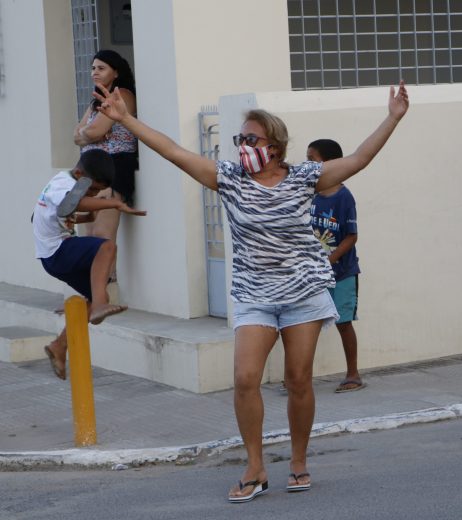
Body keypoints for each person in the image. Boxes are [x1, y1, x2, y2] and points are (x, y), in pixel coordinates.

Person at [92, 80, 409, 501]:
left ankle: (298, 461)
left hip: (303, 294)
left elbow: (359, 159)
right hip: (254, 294)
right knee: (244, 378)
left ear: (274, 146)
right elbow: (174, 151)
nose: (242, 144)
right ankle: (256, 466)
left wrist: (392, 117)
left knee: (299, 380)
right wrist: (127, 120)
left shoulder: (303, 178)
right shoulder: (230, 179)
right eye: (240, 138)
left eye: (251, 138)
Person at [33, 149, 146, 380]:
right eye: (92, 189)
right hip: (56, 252)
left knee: (95, 290)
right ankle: (100, 305)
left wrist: (86, 218)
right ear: (78, 174)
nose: (93, 194)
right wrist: (113, 203)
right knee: (106, 247)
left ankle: (59, 346)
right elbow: (71, 202)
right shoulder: (62, 184)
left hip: (54, 254)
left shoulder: (63, 186)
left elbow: (50, 215)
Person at [73, 49, 138, 283]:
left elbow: (93, 131)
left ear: (116, 72)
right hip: (90, 168)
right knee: (87, 231)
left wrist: (90, 133)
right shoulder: (95, 102)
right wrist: (90, 133)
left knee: (102, 233)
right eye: (93, 68)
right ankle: (91, 288)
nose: (94, 72)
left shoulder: (122, 96)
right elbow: (77, 135)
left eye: (101, 68)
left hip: (113, 166)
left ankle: (106, 285)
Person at [307, 139, 364, 393]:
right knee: (306, 323)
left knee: (343, 322)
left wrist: (330, 260)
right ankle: (299, 375)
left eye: (312, 159)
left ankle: (353, 374)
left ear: (329, 164)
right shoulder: (311, 195)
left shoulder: (343, 197)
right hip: (314, 275)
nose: (307, 164)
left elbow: (351, 236)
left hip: (341, 273)